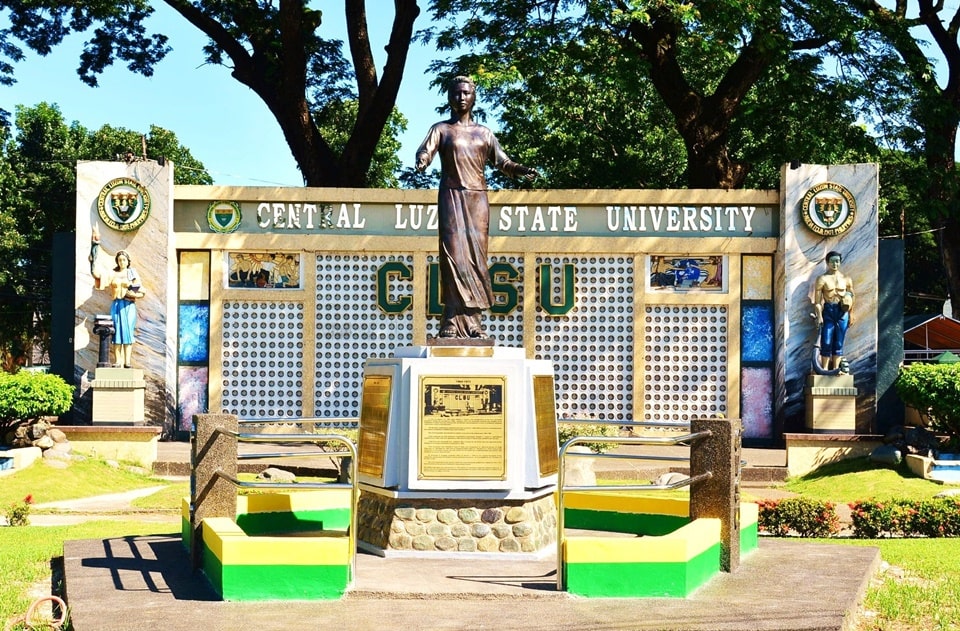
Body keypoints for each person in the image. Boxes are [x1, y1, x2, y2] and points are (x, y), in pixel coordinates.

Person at [415, 76, 539, 339]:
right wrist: (423, 159)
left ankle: (473, 321)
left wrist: (521, 170)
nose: (461, 97)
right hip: (451, 196)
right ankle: (450, 318)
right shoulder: (441, 129)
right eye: (456, 93)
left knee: (476, 260)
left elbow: (502, 162)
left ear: (473, 98)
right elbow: (426, 150)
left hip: (477, 200)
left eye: (466, 93)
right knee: (452, 257)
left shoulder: (484, 133)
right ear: (449, 97)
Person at [91, 228, 143, 368]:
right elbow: (97, 275)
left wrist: (133, 294)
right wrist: (94, 247)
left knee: (127, 333)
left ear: (128, 261)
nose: (121, 262)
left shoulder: (132, 273)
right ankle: (118, 361)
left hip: (128, 305)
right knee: (116, 332)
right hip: (116, 305)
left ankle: (127, 362)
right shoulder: (112, 273)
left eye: (124, 259)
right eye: (119, 260)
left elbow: (142, 291)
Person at [813, 251, 854, 372]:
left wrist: (851, 314)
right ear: (827, 262)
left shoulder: (846, 279)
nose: (835, 264)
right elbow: (817, 301)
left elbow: (852, 296)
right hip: (828, 310)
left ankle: (836, 369)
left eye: (837, 261)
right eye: (832, 261)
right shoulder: (822, 279)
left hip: (842, 312)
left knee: (839, 341)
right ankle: (824, 369)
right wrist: (819, 315)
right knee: (826, 340)